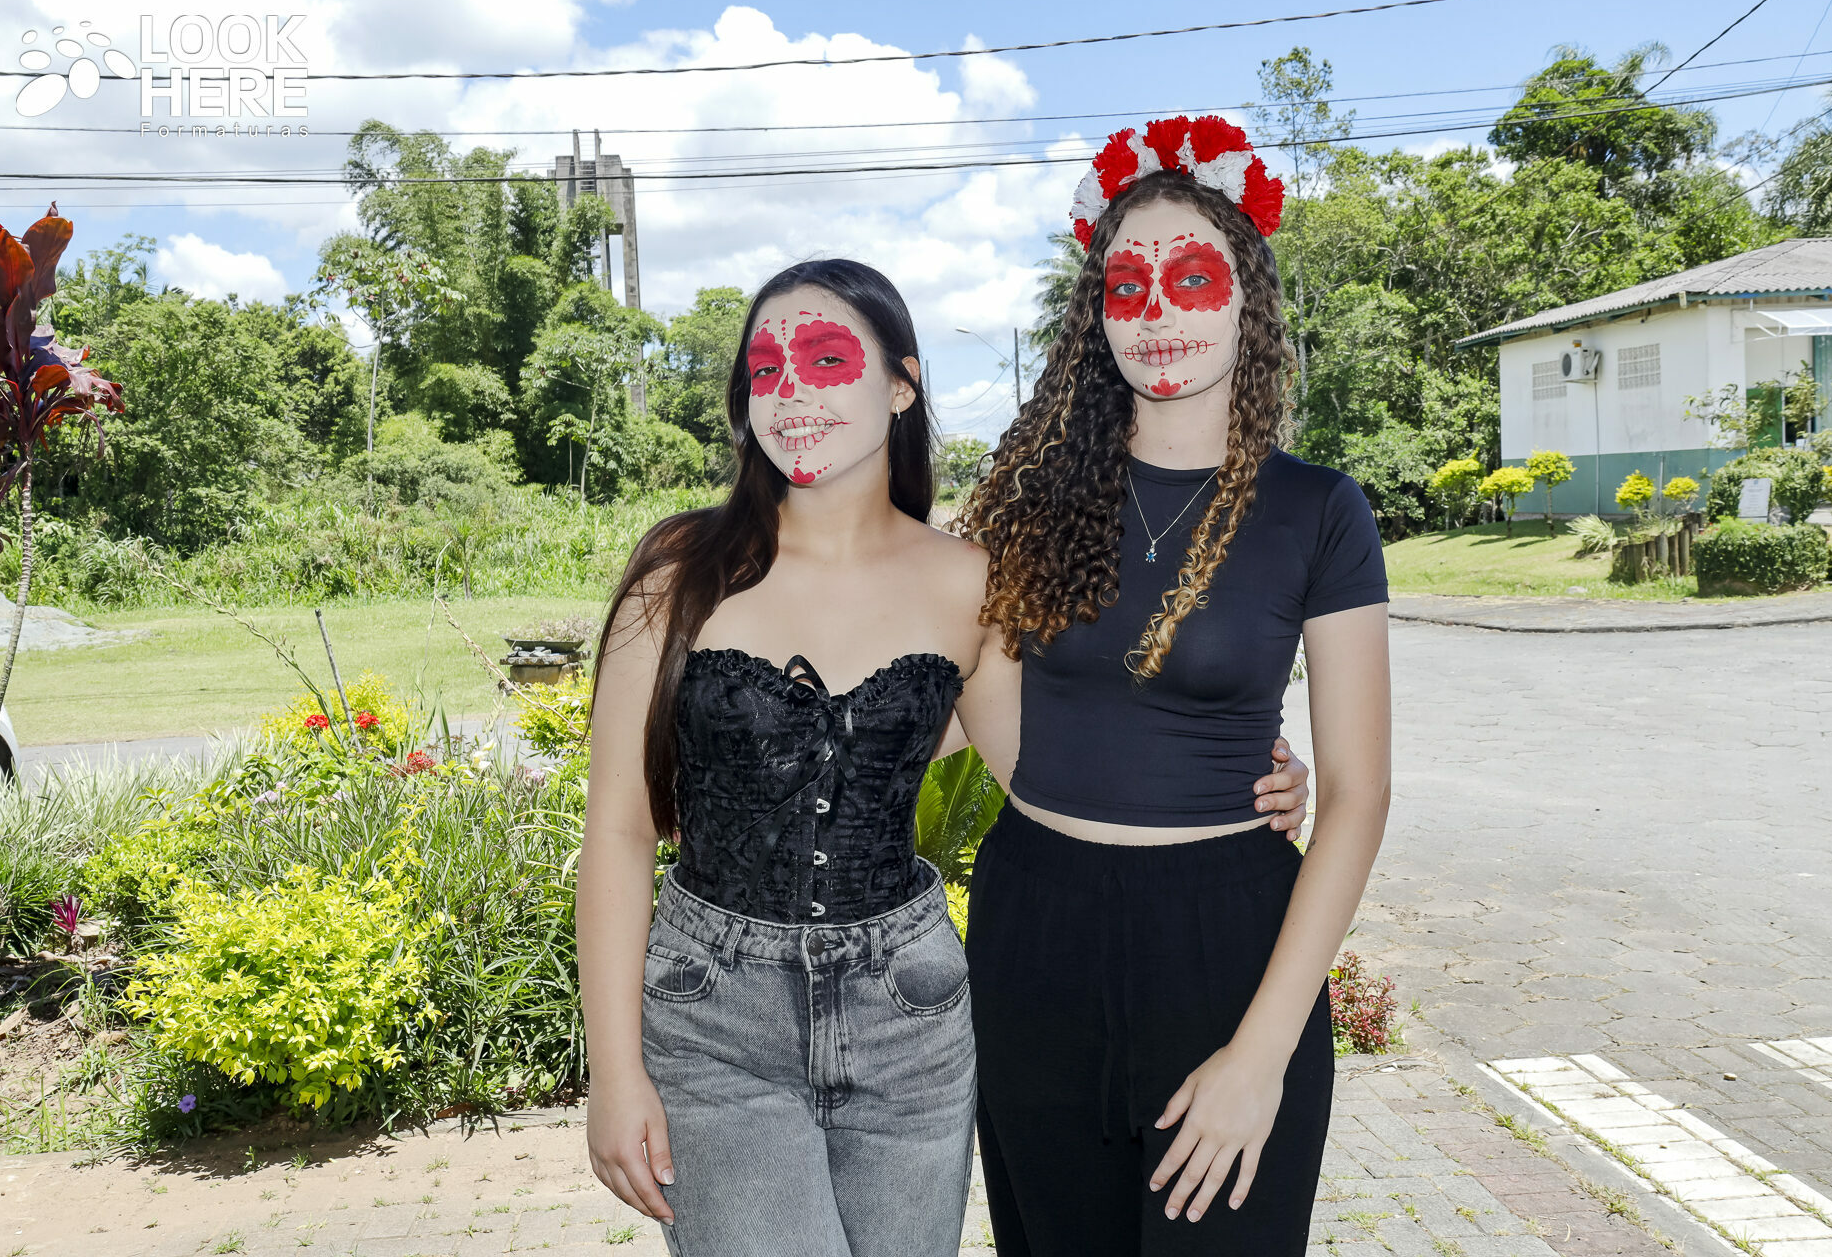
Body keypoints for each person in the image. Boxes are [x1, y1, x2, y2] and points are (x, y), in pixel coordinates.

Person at [575, 254, 1319, 1255]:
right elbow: (621, 831)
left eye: (826, 359)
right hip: (714, 1022)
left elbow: (1051, 773)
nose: (792, 392)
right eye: (765, 370)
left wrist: (1241, 776)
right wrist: (615, 1071)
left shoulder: (968, 580)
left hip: (908, 1015)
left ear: (901, 385)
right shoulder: (679, 575)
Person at [956, 114, 1394, 1257]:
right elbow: (964, 696)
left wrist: (1261, 1052)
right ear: (1095, 314)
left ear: (1247, 297)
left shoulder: (1318, 509)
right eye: (1127, 286)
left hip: (1227, 940)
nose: (1158, 313)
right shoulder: (1033, 498)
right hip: (1034, 927)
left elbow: (1358, 795)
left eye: (1192, 278)